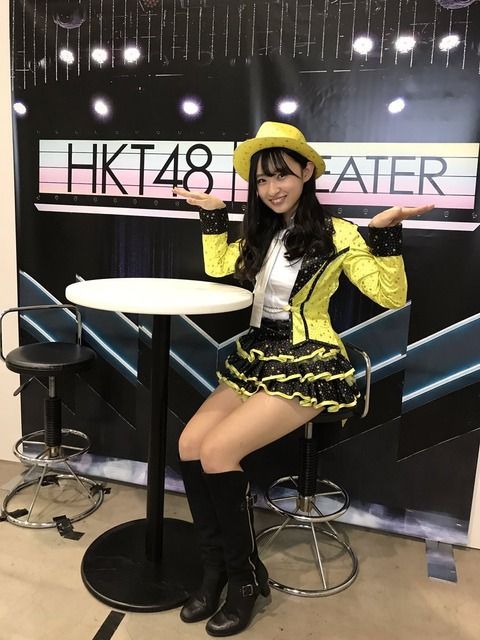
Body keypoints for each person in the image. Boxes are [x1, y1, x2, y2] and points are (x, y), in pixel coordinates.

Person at [173, 121, 434, 637]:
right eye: (262, 180)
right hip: (256, 355)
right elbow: (220, 265)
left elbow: (390, 295)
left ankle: (244, 582)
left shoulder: (338, 233)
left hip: (310, 361)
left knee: (218, 451)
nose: (273, 188)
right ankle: (215, 569)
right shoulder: (262, 230)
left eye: (283, 175)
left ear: (307, 172)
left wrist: (384, 232)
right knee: (189, 445)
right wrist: (214, 214)